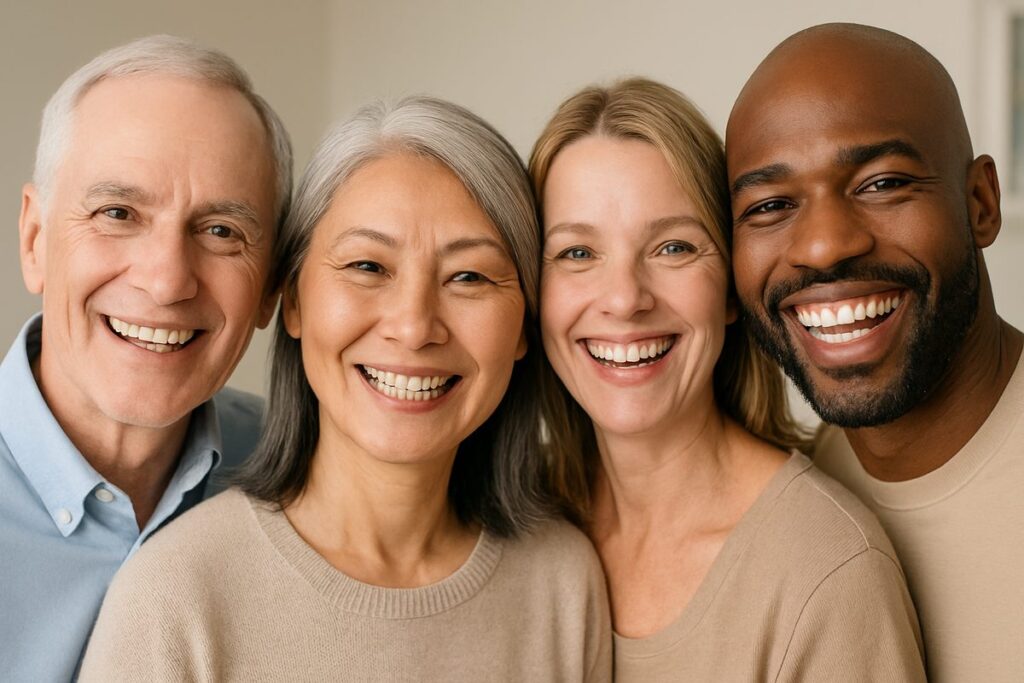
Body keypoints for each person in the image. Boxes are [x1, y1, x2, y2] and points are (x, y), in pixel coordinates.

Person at [79, 96, 612, 681]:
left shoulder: (564, 581)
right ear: (295, 300)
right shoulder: (175, 597)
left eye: (468, 276)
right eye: (367, 267)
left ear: (523, 327)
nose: (413, 327)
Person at [531, 77, 924, 680]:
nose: (624, 298)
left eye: (673, 248)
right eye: (577, 253)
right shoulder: (517, 521)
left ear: (733, 290)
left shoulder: (826, 569)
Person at [726, 22, 1024, 681]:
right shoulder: (786, 504)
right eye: (771, 204)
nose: (826, 244)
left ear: (980, 203)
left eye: (882, 183)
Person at [0, 35, 291, 679]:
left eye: (221, 231)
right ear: (34, 239)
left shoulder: (296, 473)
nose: (166, 281)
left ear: (272, 286)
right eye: (117, 212)